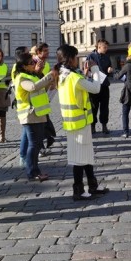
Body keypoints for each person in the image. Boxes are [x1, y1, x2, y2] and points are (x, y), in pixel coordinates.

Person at [56, 45, 109, 201]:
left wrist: (85, 74)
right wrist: (95, 70)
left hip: (74, 121)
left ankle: (92, 185)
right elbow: (96, 88)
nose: (77, 59)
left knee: (85, 155)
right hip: (79, 122)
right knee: (79, 158)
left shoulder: (63, 75)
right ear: (70, 59)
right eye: (75, 57)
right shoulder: (73, 77)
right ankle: (78, 190)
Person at [13, 52, 57, 182]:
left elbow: (40, 90)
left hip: (37, 114)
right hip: (29, 115)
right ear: (24, 66)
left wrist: (50, 82)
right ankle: (32, 172)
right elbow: (33, 87)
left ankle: (34, 170)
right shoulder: (21, 77)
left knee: (36, 144)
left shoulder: (31, 75)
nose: (34, 64)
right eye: (31, 62)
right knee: (34, 145)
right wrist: (49, 75)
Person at [33, 43, 58, 156]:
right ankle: (39, 147)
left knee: (43, 123)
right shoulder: (32, 62)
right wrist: (37, 71)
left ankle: (43, 143)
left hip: (45, 96)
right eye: (45, 51)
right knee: (38, 125)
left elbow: (46, 78)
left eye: (48, 51)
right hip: (34, 98)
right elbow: (33, 80)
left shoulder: (46, 64)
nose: (48, 53)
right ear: (38, 52)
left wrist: (52, 83)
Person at [87, 39, 114, 135]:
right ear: (99, 47)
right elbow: (87, 71)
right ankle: (92, 126)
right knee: (93, 107)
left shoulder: (107, 57)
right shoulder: (91, 56)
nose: (106, 49)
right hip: (94, 85)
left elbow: (109, 71)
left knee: (104, 107)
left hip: (105, 86)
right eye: (104, 47)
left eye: (107, 47)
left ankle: (104, 126)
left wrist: (110, 70)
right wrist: (91, 74)